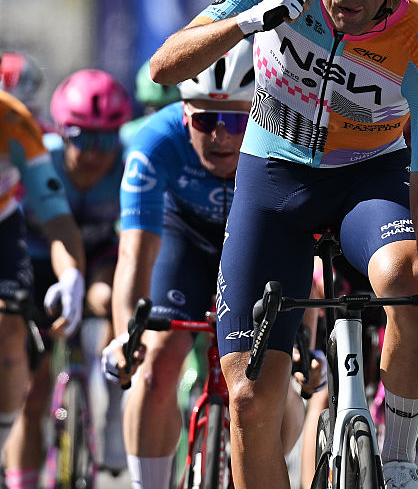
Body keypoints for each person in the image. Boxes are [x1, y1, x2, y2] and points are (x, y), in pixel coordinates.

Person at [146, 0, 418, 489]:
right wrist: (249, 22)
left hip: (368, 179)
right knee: (249, 398)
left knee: (405, 277)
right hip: (272, 175)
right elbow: (165, 67)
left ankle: (401, 456)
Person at [101, 42, 314, 489]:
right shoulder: (153, 144)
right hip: (185, 237)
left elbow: (302, 254)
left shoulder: (286, 138)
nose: (221, 135)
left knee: (275, 377)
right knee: (156, 361)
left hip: (256, 239)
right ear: (184, 117)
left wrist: (304, 341)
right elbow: (135, 255)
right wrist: (127, 336)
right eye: (205, 120)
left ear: (260, 113)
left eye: (238, 119)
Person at [3, 70, 132, 488]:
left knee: (113, 292)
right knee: (33, 393)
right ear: (61, 132)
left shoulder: (131, 159)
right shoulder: (42, 153)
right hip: (37, 259)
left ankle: (113, 402)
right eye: (82, 137)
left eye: (106, 139)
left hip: (95, 257)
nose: (94, 153)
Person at [0, 89, 85, 465]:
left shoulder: (13, 122)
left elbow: (57, 219)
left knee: (11, 324)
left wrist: (71, 276)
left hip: (2, 225)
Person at [119, 57, 182, 145]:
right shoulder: (127, 136)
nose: (164, 118)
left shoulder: (128, 136)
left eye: (171, 109)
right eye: (154, 109)